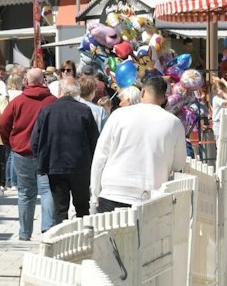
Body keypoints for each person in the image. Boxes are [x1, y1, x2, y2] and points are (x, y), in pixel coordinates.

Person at [92, 76, 191, 210]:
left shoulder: (118, 115)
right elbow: (178, 163)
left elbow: (100, 156)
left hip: (113, 190)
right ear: (163, 98)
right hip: (150, 195)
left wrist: (95, 193)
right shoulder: (173, 123)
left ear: (142, 92)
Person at [0, 68, 56, 240]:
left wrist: (10, 142)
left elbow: (3, 124)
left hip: (22, 151)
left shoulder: (18, 101)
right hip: (46, 152)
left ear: (27, 80)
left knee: (25, 193)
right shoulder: (52, 101)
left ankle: (25, 233)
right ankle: (48, 229)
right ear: (43, 80)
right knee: (47, 191)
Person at [32, 78, 101, 224]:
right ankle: (83, 237)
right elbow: (95, 141)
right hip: (80, 166)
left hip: (54, 165)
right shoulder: (84, 110)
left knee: (60, 208)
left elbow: (35, 140)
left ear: (60, 90)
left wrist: (40, 160)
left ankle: (59, 240)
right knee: (82, 207)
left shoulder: (47, 110)